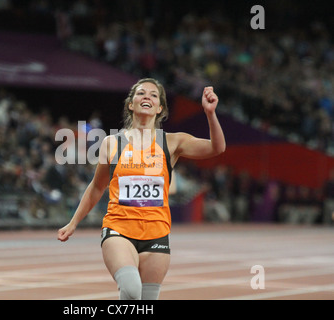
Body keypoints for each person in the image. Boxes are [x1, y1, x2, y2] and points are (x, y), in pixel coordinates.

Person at [57, 78, 226, 300]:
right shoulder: (111, 143)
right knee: (130, 289)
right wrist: (73, 222)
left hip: (157, 232)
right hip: (119, 229)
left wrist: (210, 113)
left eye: (154, 95)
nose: (147, 96)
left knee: (145, 302)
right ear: (131, 104)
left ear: (160, 108)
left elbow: (217, 147)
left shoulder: (172, 142)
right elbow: (97, 187)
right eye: (141, 93)